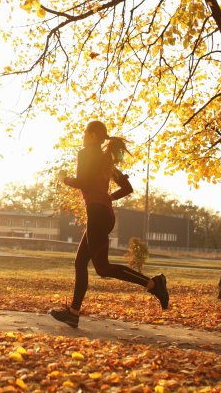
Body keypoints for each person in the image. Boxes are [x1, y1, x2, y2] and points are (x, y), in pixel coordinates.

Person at [49, 121, 169, 328]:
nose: (84, 136)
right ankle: (73, 313)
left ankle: (153, 283)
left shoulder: (86, 153)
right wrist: (107, 198)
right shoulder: (106, 161)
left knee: (102, 268)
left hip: (98, 214)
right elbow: (127, 187)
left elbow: (83, 182)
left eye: (86, 133)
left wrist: (64, 178)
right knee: (80, 263)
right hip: (103, 213)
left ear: (94, 135)